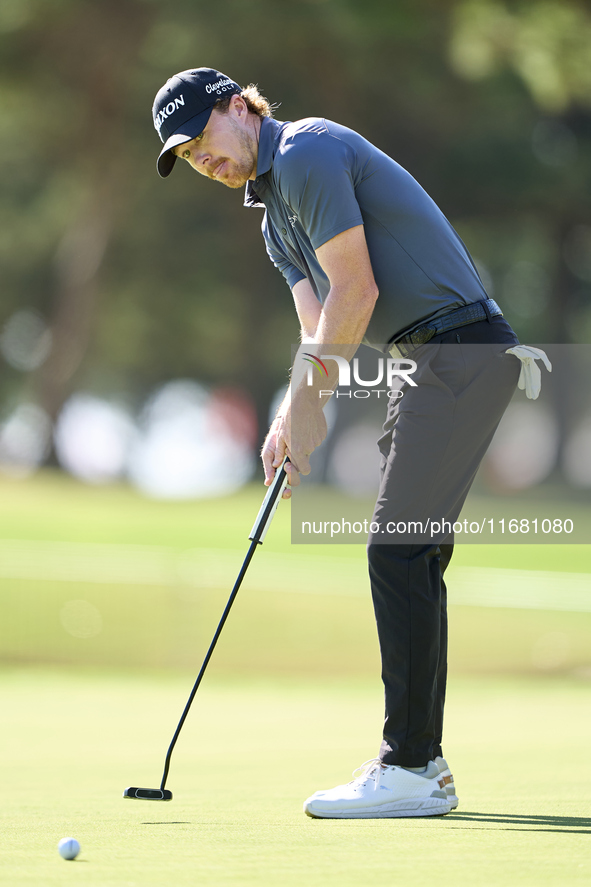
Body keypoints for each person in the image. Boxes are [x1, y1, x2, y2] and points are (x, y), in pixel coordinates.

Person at [152, 67, 547, 819]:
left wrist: (310, 402)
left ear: (240, 106)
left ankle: (411, 764)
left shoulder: (305, 151)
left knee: (397, 549)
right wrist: (288, 419)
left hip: (458, 349)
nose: (204, 160)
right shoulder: (273, 221)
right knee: (410, 554)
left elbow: (355, 291)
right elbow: (318, 328)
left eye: (203, 138)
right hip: (422, 364)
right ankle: (420, 764)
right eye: (190, 156)